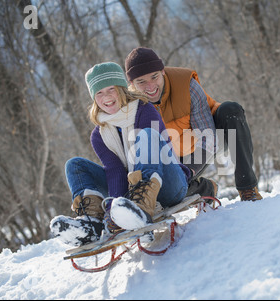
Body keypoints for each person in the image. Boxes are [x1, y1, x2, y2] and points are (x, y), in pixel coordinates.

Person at [50, 62, 191, 246]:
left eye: (111, 89)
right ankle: (91, 224)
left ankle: (141, 209)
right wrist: (111, 213)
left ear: (122, 89)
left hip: (169, 184)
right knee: (74, 165)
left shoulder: (144, 110)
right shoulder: (99, 134)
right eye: (99, 93)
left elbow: (156, 152)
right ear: (94, 98)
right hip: (131, 192)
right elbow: (114, 170)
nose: (106, 97)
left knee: (148, 135)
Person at [124, 47, 263, 201]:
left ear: (162, 71)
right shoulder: (130, 106)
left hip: (210, 140)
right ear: (131, 83)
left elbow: (209, 138)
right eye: (141, 82)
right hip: (174, 157)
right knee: (168, 190)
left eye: (154, 77)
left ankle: (248, 188)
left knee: (231, 110)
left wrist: (188, 170)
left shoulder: (185, 84)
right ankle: (206, 189)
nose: (150, 87)